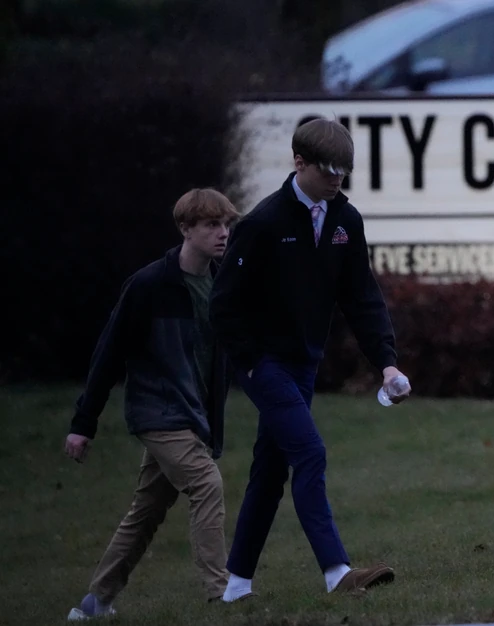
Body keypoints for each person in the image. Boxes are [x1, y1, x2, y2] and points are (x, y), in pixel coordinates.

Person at [209, 118, 411, 600]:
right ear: (299, 163)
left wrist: (386, 362)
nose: (337, 179)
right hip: (264, 363)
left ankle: (235, 587)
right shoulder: (261, 223)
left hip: (303, 362)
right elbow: (222, 305)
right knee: (310, 453)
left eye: (345, 171)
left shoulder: (346, 220)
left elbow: (362, 298)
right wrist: (252, 362)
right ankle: (337, 573)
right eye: (329, 170)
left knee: (271, 468)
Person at [64, 188, 241, 620]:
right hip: (158, 412)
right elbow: (109, 353)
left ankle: (95, 603)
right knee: (206, 483)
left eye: (225, 225)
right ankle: (221, 596)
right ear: (185, 229)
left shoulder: (220, 284)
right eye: (210, 225)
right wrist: (83, 422)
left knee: (146, 512)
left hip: (194, 414)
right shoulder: (149, 285)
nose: (222, 234)